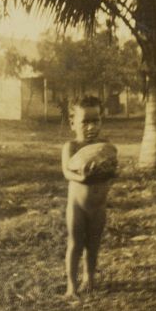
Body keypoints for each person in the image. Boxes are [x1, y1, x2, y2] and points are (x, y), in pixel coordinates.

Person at [62, 95, 116, 298]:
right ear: (73, 122)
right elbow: (67, 172)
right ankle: (71, 286)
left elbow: (111, 168)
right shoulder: (72, 147)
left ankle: (89, 278)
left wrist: (112, 172)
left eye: (96, 121)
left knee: (93, 244)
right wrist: (81, 177)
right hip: (77, 207)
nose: (91, 127)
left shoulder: (104, 146)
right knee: (75, 244)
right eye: (85, 122)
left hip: (99, 206)